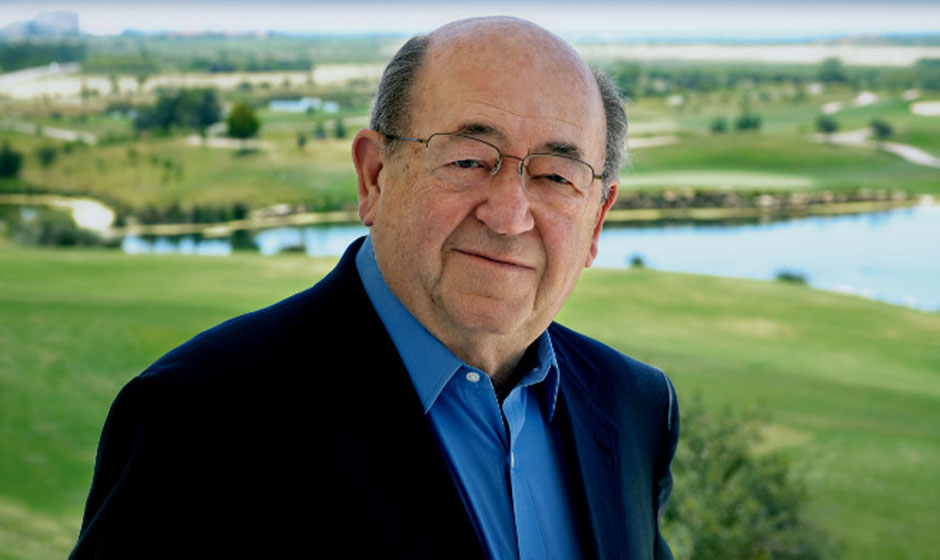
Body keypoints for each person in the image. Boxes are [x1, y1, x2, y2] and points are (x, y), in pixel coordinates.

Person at [70, 16, 679, 560]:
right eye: (469, 160)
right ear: (375, 177)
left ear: (596, 220)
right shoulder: (194, 420)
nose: (509, 215)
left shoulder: (634, 406)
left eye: (555, 176)